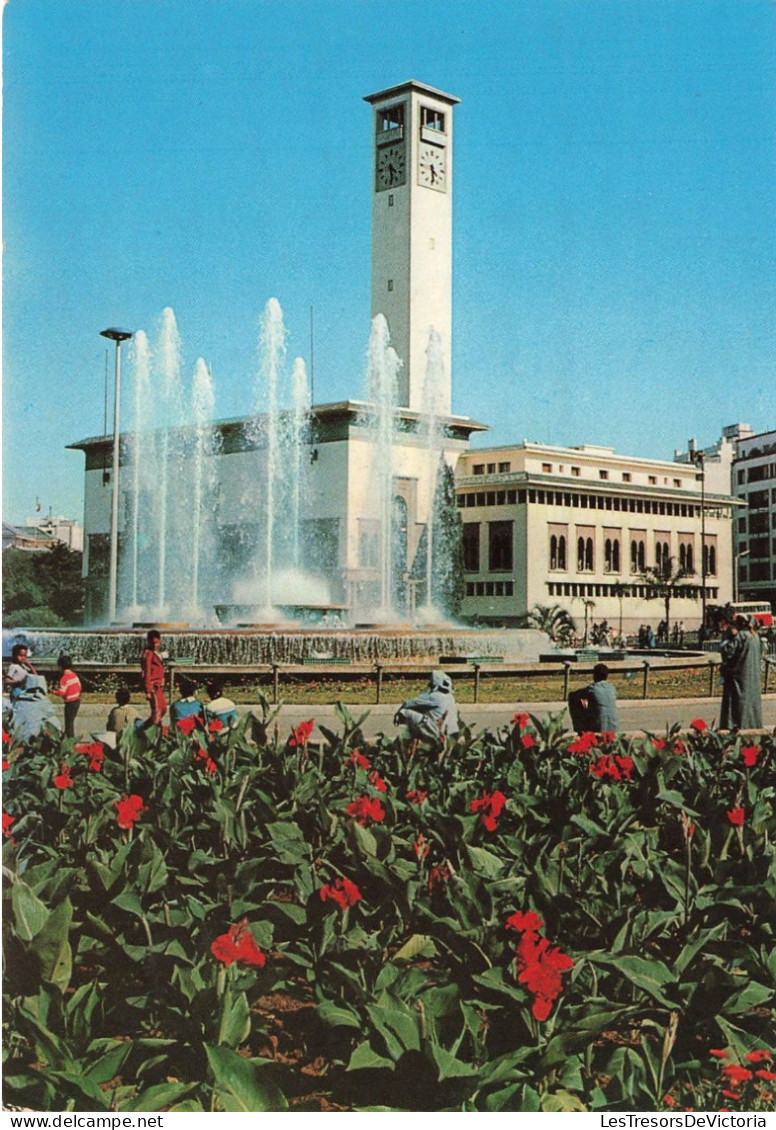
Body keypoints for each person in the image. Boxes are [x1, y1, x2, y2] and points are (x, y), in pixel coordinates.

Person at [719, 610, 763, 730]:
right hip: (752, 677)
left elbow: (728, 652)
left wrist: (727, 637)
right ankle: (753, 725)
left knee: (739, 702)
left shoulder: (740, 636)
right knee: (751, 703)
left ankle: (737, 726)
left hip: (739, 678)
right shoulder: (755, 636)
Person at [394, 670, 459, 745]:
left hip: (439, 732)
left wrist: (398, 713)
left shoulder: (434, 696)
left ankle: (413, 740)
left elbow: (408, 703)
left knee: (405, 712)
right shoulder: (450, 696)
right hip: (453, 732)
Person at [570, 663, 618, 734]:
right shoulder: (612, 688)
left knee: (573, 699)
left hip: (598, 727)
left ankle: (580, 730)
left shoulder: (592, 689)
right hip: (614, 726)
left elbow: (575, 695)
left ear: (594, 675)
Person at [10, 674, 57, 741]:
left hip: (17, 737)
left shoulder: (18, 700)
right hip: (35, 737)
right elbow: (51, 714)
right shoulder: (44, 702)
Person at [50, 654, 82, 738]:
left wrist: (53, 691)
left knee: (69, 723)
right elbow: (79, 686)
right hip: (77, 701)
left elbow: (62, 692)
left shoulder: (64, 678)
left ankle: (71, 740)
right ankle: (64, 737)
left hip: (70, 703)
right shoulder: (74, 675)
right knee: (70, 722)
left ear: (60, 667)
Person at [141, 630, 167, 728]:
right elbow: (147, 671)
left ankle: (144, 728)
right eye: (153, 643)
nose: (156, 645)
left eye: (157, 642)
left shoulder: (155, 652)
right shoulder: (148, 653)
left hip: (158, 685)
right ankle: (152, 731)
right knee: (157, 711)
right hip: (152, 686)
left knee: (163, 708)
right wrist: (148, 690)